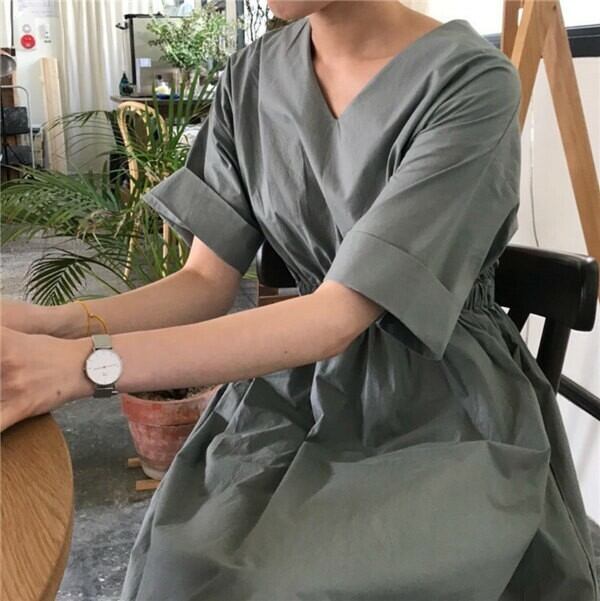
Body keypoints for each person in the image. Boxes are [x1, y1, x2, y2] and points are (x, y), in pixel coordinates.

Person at [1, 2, 598, 599]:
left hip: (442, 403)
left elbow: (337, 316)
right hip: (292, 390)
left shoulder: (470, 81)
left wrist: (83, 367)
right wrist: (53, 326)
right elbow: (203, 281)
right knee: (184, 566)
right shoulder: (252, 76)